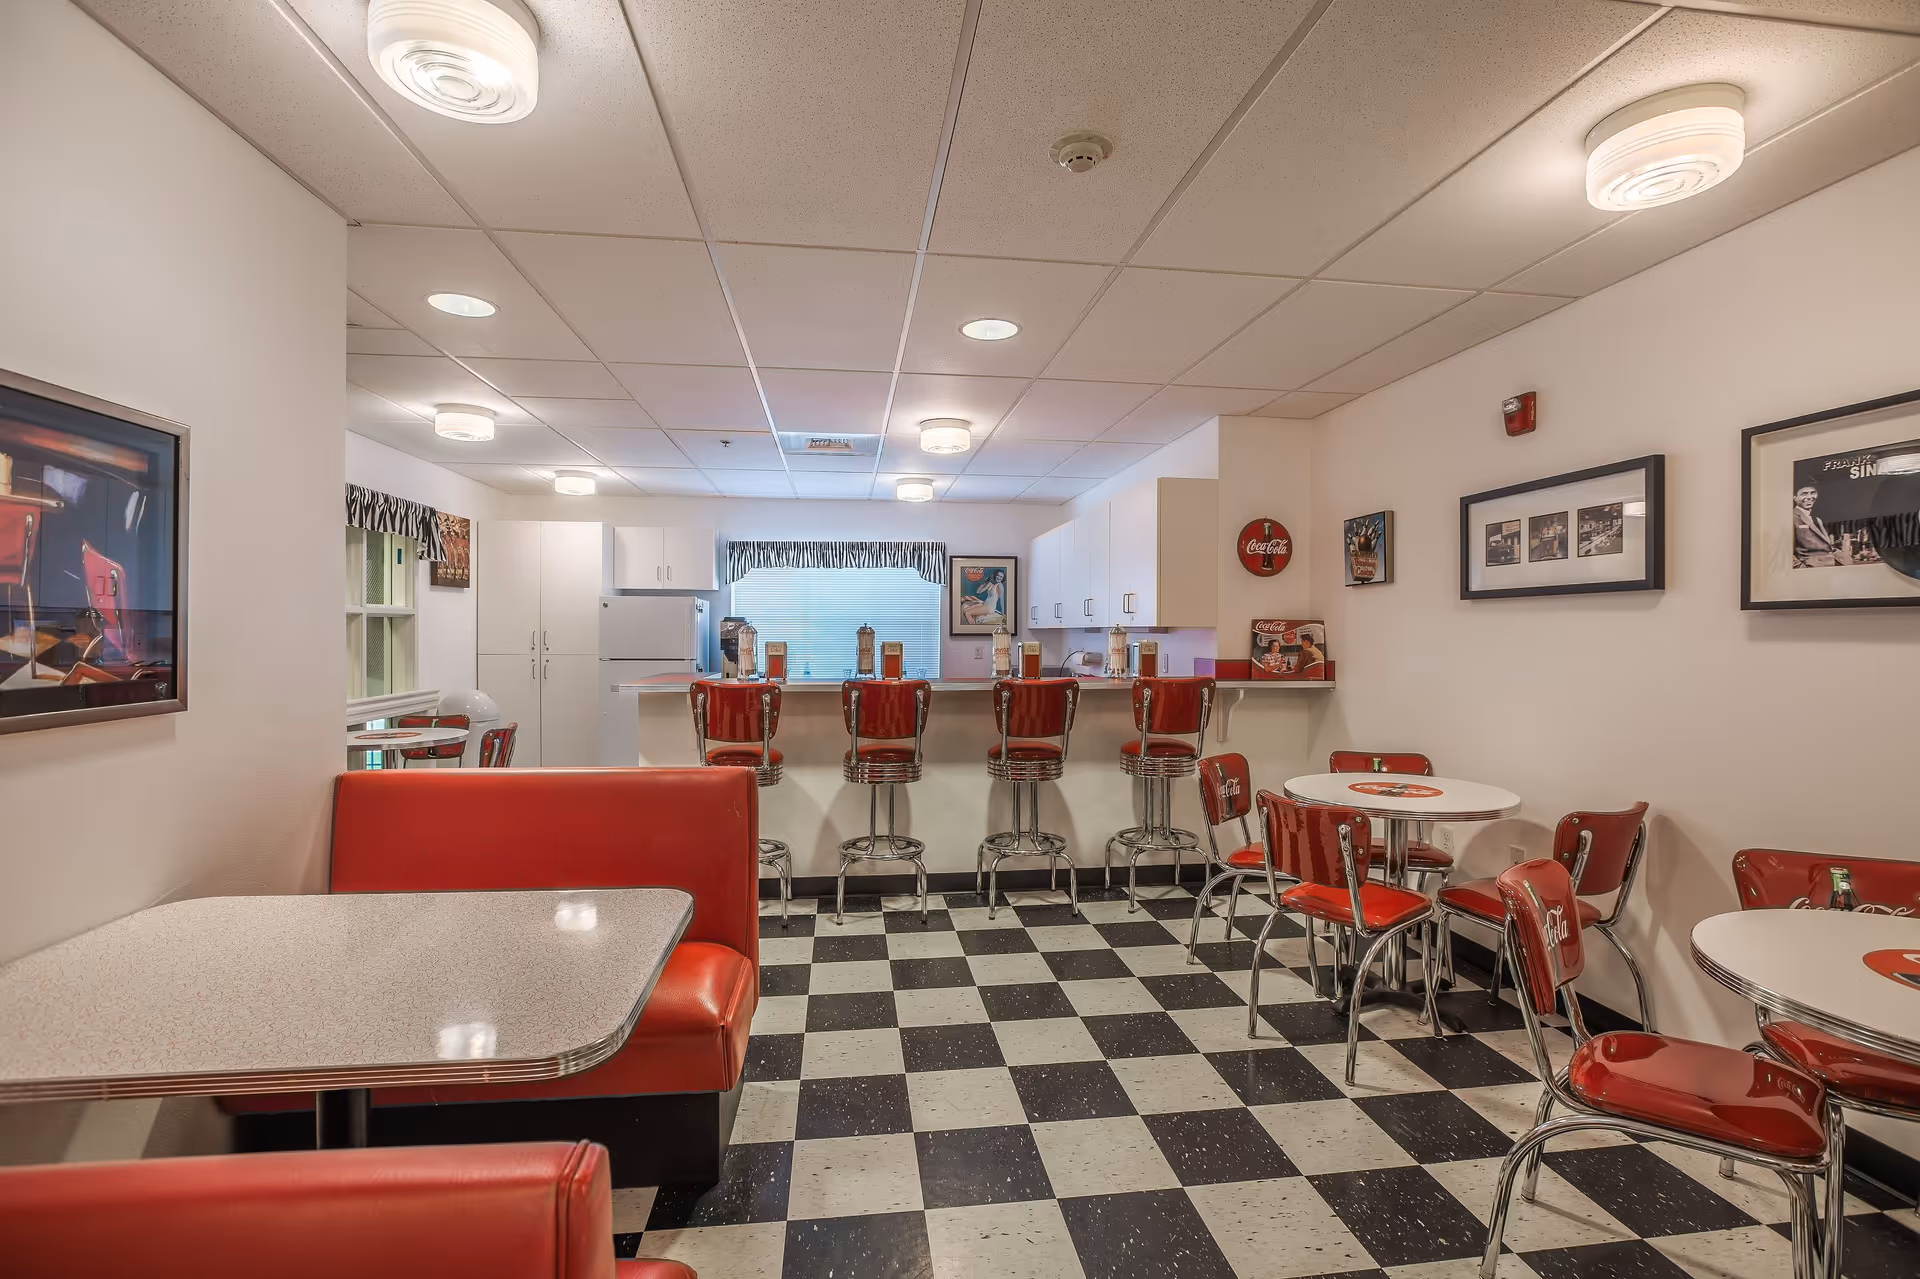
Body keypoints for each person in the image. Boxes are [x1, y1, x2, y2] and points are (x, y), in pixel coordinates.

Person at [1792, 483, 1847, 567]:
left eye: (1813, 493)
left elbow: (1826, 546)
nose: (1810, 497)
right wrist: (1801, 568)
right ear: (1794, 497)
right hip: (1812, 571)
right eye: (1804, 494)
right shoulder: (1791, 518)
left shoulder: (1817, 519)